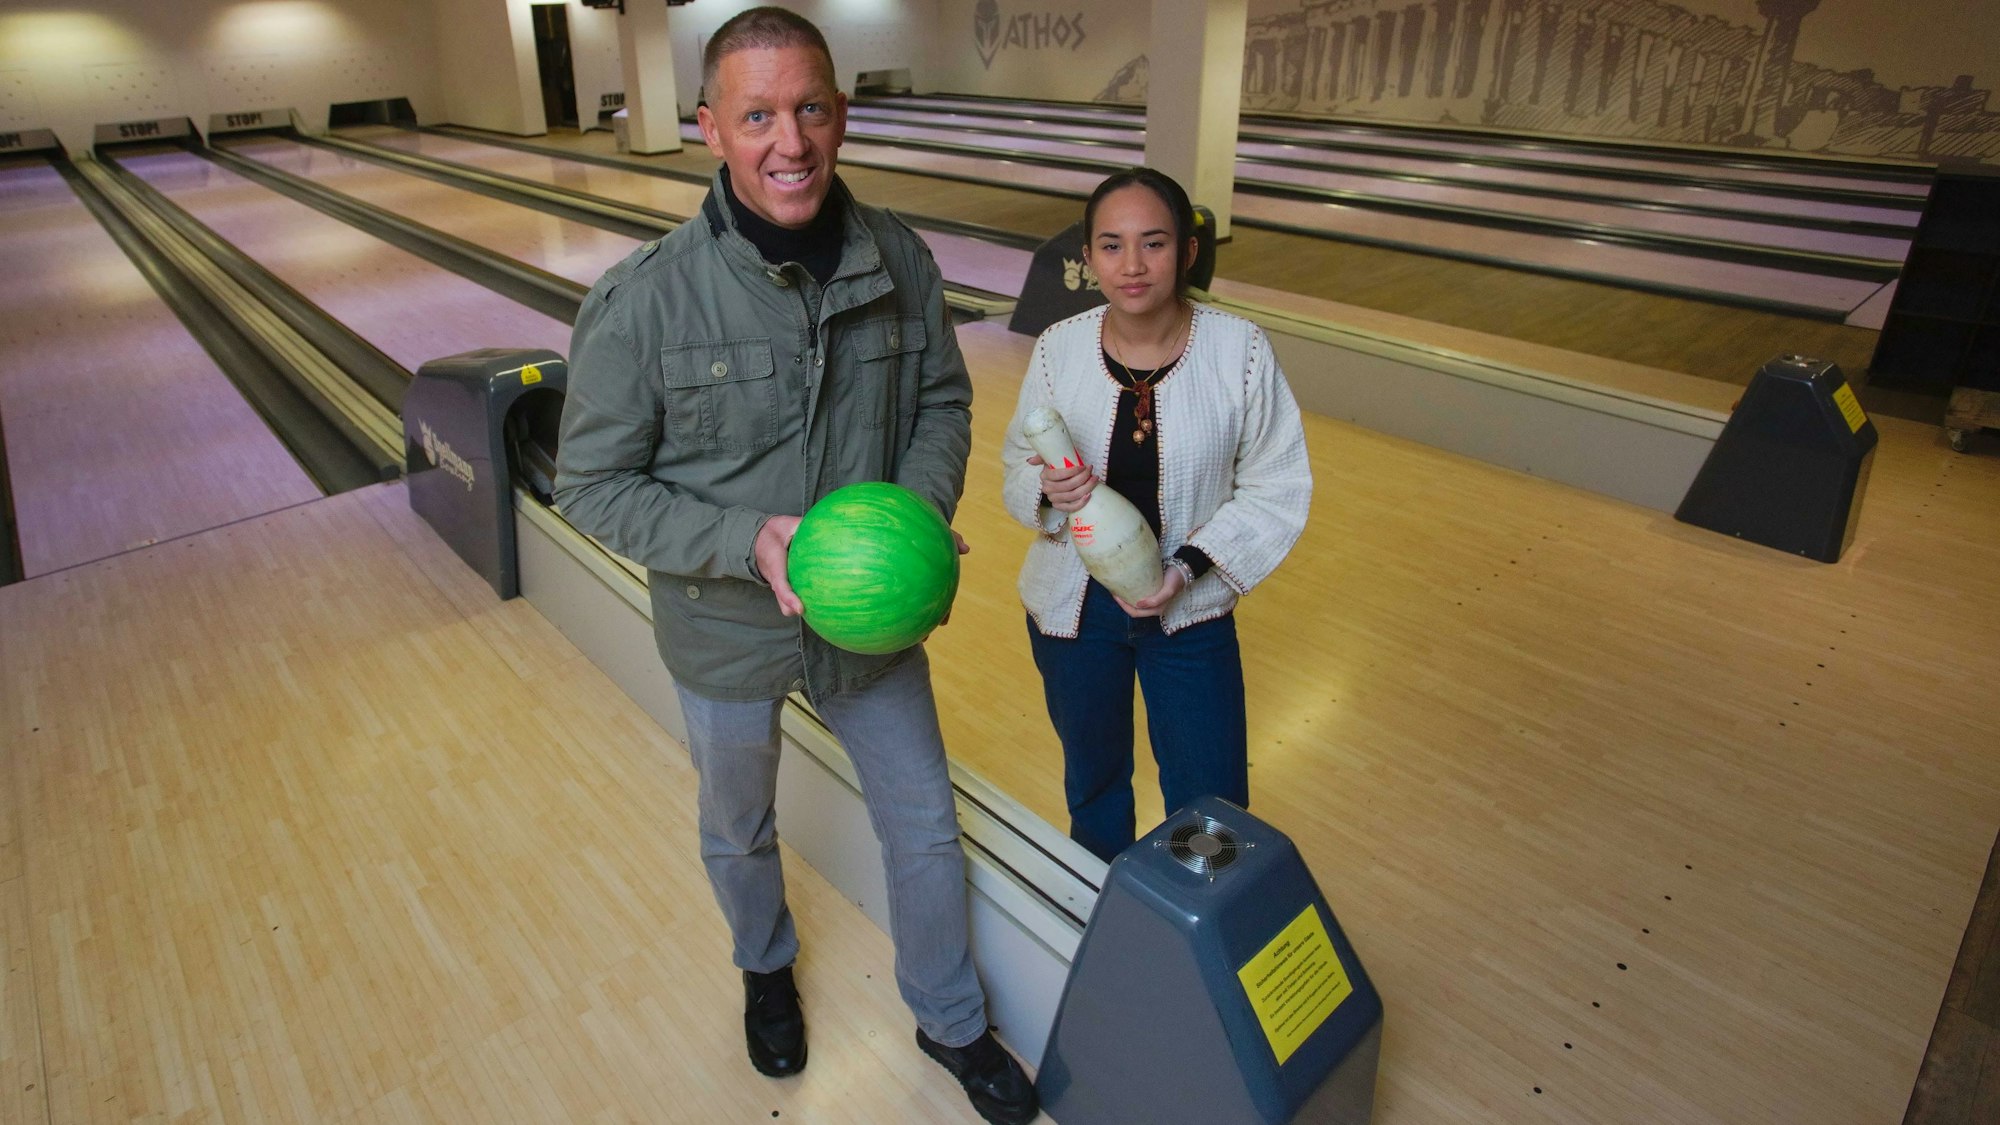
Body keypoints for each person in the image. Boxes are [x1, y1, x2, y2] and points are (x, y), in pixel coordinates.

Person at [553, 9, 1037, 1123]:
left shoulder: (898, 261)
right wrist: (744, 539)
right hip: (726, 627)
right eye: (758, 115)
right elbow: (592, 485)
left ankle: (949, 1016)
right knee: (738, 825)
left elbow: (940, 402)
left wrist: (912, 516)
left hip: (869, 625)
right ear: (710, 129)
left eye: (810, 108)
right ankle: (764, 967)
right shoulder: (645, 301)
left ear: (842, 115)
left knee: (923, 824)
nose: (790, 141)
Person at [1001, 167, 1313, 863]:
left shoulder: (1239, 349)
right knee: (1095, 789)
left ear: (1188, 252)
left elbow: (1277, 485)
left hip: (1189, 612)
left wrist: (1188, 568)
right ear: (1088, 258)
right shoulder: (1059, 346)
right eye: (1111, 246)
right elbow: (1015, 464)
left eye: (1155, 243)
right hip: (1075, 612)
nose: (1133, 265)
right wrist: (1048, 489)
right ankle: (1105, 903)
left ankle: (1202, 916)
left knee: (1213, 806)